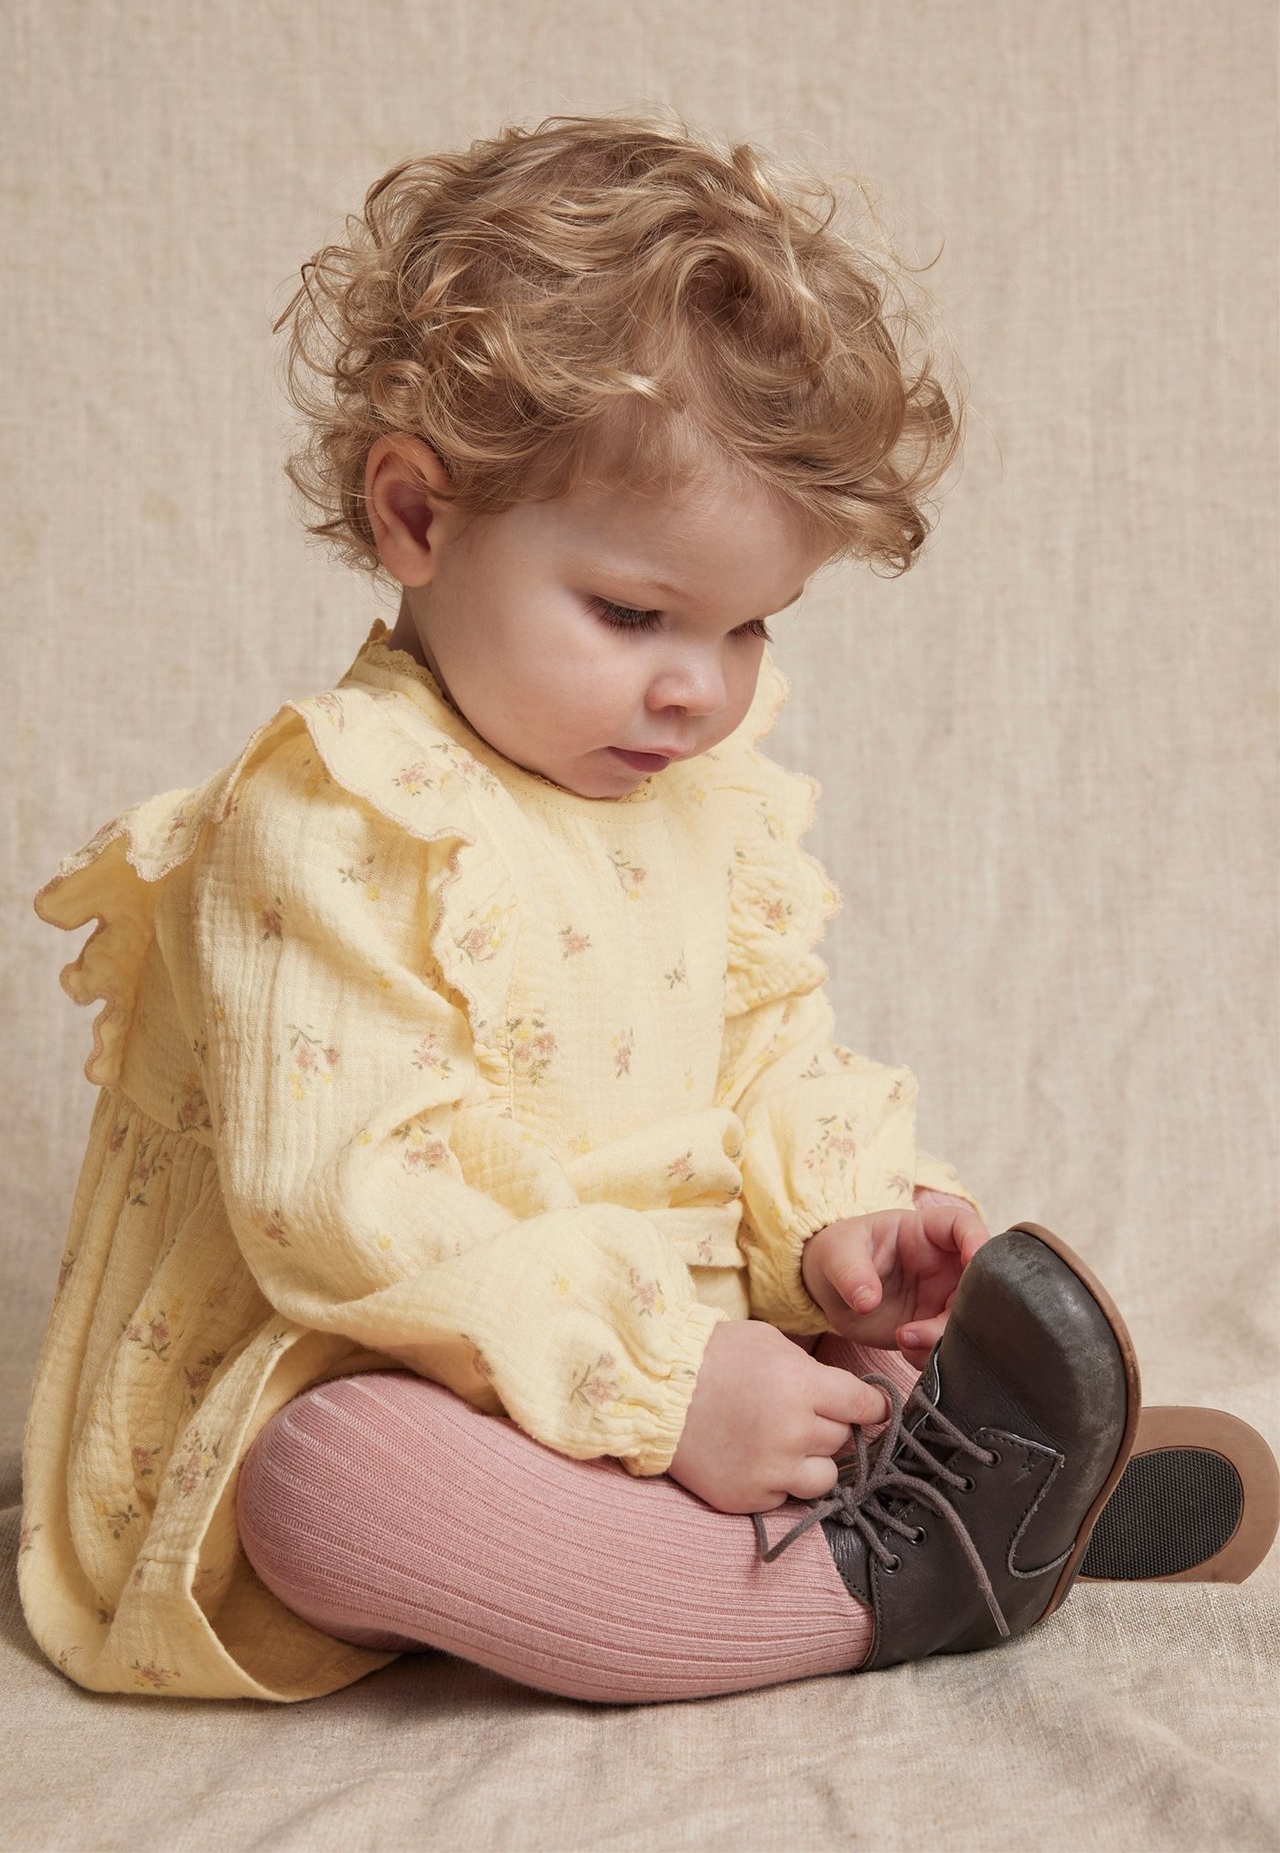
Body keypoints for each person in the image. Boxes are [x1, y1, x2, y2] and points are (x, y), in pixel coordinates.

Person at [20, 113, 1276, 1705]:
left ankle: (927, 1476)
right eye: (632, 612)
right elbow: (350, 1214)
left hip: (639, 1381)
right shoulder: (331, 814)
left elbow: (766, 1051)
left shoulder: (694, 792)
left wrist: (838, 1230)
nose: (700, 687)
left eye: (752, 625)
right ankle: (889, 1578)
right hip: (398, 1361)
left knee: (855, 1352)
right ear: (417, 518)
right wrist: (668, 1385)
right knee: (328, 1483)